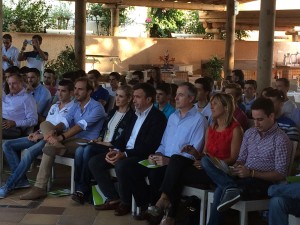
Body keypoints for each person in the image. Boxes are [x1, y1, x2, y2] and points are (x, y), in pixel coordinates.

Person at [147, 93, 243, 225]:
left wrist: (209, 162)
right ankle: (168, 210)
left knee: (176, 171)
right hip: (204, 167)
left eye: (215, 104)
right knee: (176, 161)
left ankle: (168, 208)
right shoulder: (211, 127)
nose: (211, 107)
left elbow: (233, 158)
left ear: (226, 108)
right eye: (211, 104)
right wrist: (195, 154)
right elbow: (204, 154)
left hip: (219, 171)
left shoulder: (236, 129)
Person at [201, 97, 292, 225]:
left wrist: (252, 173)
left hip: (264, 183)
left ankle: (229, 187)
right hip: (243, 177)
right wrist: (236, 168)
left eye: (260, 119)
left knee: (221, 190)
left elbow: (280, 173)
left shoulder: (280, 139)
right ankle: (230, 186)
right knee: (206, 161)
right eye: (254, 119)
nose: (256, 124)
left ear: (271, 116)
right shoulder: (250, 133)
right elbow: (241, 159)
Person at [129, 82, 208, 223]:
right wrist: (158, 153)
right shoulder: (172, 117)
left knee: (156, 173)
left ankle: (159, 208)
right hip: (166, 159)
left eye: (181, 95)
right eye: (176, 94)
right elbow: (164, 143)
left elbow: (193, 152)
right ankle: (148, 207)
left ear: (191, 98)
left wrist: (169, 161)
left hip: (184, 164)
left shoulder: (199, 120)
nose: (176, 98)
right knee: (133, 169)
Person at [20, 77, 106, 200]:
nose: (76, 92)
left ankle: (39, 187)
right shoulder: (76, 105)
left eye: (80, 89)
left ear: (89, 92)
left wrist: (60, 137)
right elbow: (64, 122)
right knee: (44, 124)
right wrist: (53, 132)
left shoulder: (97, 108)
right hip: (70, 140)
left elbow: (80, 126)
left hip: (86, 143)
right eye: (75, 88)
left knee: (48, 145)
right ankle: (56, 147)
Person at [88, 83, 167, 216]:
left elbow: (149, 146)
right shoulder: (135, 115)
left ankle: (127, 203)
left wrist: (124, 154)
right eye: (134, 96)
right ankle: (114, 197)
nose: (134, 100)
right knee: (94, 162)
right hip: (125, 151)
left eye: (138, 97)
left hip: (142, 155)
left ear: (148, 99)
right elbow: (124, 137)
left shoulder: (157, 117)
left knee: (122, 165)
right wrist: (115, 150)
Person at [0, 80, 75, 198]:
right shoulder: (54, 106)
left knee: (29, 153)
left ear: (71, 92)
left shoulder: (73, 108)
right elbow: (47, 123)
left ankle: (9, 185)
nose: (59, 94)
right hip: (41, 135)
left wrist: (41, 136)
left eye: (63, 91)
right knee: (7, 145)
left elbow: (64, 129)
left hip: (53, 140)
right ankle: (22, 181)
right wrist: (37, 133)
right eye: (58, 90)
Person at [72, 85, 135, 204]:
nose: (117, 98)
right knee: (80, 150)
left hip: (112, 146)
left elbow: (124, 138)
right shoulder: (112, 112)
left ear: (129, 98)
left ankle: (82, 189)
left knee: (88, 150)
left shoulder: (131, 116)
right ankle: (79, 188)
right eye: (116, 95)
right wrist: (99, 138)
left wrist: (106, 143)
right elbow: (104, 129)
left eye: (121, 96)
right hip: (101, 144)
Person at [2, 73, 38, 139]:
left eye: (14, 83)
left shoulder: (27, 98)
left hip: (14, 128)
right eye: (9, 84)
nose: (11, 86)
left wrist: (15, 123)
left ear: (21, 83)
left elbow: (33, 120)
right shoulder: (7, 97)